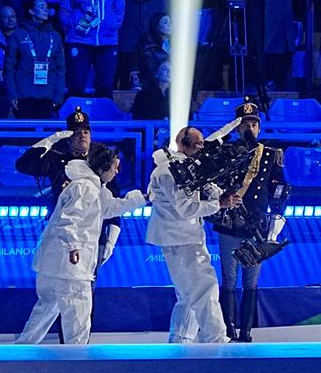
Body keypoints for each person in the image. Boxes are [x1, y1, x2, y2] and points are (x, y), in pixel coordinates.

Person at [15, 144, 147, 344]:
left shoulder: (92, 187)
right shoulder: (86, 188)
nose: (117, 172)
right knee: (78, 320)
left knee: (45, 313)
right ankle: (77, 359)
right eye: (115, 167)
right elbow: (69, 220)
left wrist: (141, 199)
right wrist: (73, 247)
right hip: (70, 268)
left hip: (57, 264)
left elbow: (109, 208)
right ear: (103, 167)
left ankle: (20, 352)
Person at [147, 124, 236, 344]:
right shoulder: (169, 171)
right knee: (205, 288)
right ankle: (216, 340)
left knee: (188, 295)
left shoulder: (188, 167)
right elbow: (185, 208)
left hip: (186, 237)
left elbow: (202, 193)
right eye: (199, 145)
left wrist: (220, 195)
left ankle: (180, 342)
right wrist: (218, 204)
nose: (202, 149)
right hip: (180, 239)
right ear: (184, 145)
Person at [208, 101, 289, 342]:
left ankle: (246, 331)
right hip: (230, 222)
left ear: (259, 128)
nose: (250, 129)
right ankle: (229, 330)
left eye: (254, 124)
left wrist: (275, 220)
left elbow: (279, 189)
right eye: (245, 125)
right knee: (229, 279)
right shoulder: (227, 152)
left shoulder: (271, 154)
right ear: (237, 128)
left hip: (256, 222)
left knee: (251, 281)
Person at [14, 106, 93, 197]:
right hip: (64, 204)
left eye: (86, 132)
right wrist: (48, 142)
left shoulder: (99, 156)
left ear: (90, 136)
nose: (82, 136)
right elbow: (23, 165)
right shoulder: (56, 157)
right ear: (68, 137)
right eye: (77, 133)